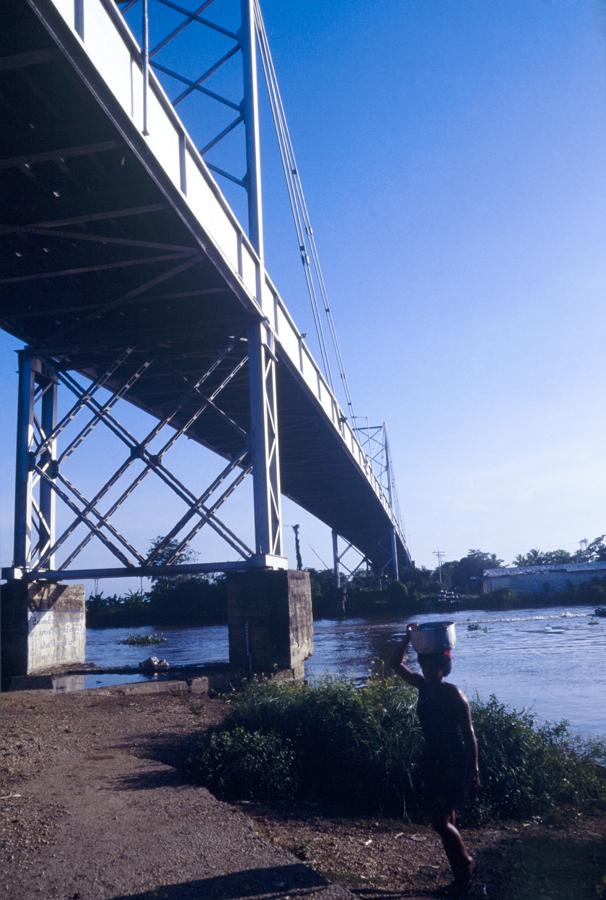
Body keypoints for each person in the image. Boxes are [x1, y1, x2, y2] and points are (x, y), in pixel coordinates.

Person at [390, 624, 480, 895]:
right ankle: (461, 878)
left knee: (439, 822)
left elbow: (470, 734)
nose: (428, 672)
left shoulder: (454, 694)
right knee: (448, 819)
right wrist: (408, 637)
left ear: (444, 668)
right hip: (435, 761)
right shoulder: (421, 686)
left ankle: (466, 863)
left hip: (455, 761)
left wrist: (474, 769)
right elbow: (394, 663)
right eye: (425, 667)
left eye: (433, 667)